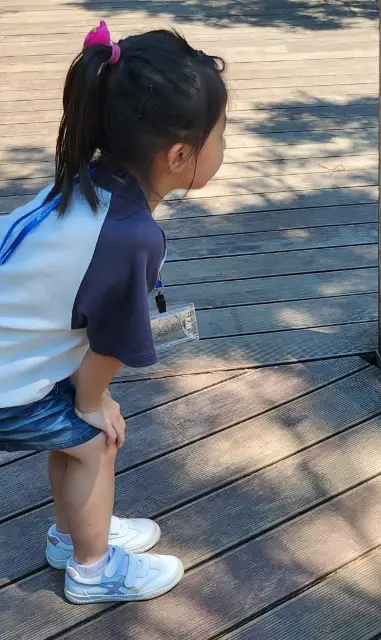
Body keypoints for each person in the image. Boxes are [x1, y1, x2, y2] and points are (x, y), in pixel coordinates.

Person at [0, 21, 227, 604]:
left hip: (11, 360)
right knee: (95, 439)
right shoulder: (131, 237)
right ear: (180, 155)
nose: (224, 147)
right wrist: (94, 402)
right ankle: (92, 567)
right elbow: (109, 346)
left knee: (77, 436)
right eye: (221, 135)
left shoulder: (87, 182)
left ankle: (74, 530)